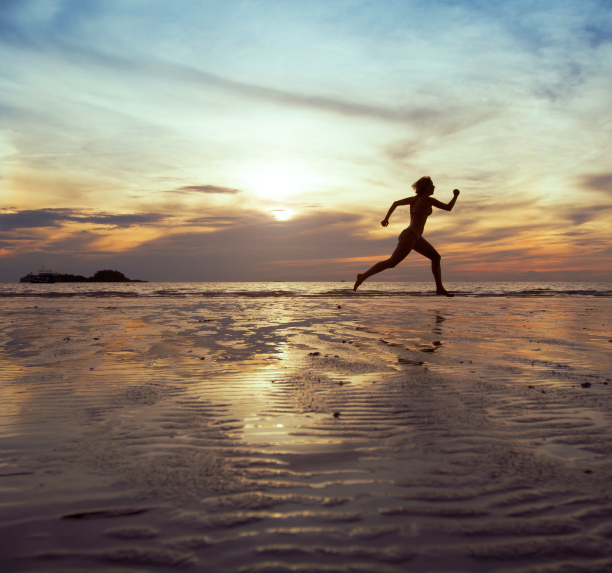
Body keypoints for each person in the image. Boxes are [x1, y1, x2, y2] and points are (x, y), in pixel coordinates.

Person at [353, 176, 460, 295]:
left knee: (436, 257)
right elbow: (448, 207)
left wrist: (386, 219)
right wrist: (455, 196)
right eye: (432, 185)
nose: (434, 187)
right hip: (410, 236)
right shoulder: (428, 200)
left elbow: (395, 203)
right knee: (392, 262)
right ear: (426, 187)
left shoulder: (413, 199)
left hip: (415, 237)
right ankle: (363, 276)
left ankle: (439, 288)